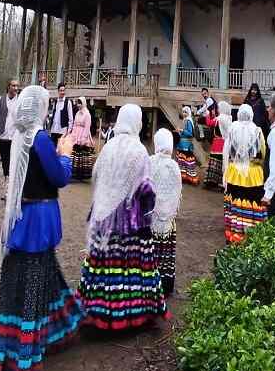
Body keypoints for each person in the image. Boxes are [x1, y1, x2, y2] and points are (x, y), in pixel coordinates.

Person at [0, 86, 83, 371]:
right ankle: (25, 360)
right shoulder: (39, 137)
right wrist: (65, 155)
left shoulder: (18, 137)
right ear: (39, 108)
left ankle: (51, 330)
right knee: (34, 286)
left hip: (22, 218)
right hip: (39, 220)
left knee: (22, 281)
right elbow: (60, 177)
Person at [80, 104, 167, 330]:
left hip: (105, 216)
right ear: (136, 122)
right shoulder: (138, 151)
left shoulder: (108, 147)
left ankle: (99, 310)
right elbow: (146, 189)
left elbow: (96, 175)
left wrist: (106, 198)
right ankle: (129, 313)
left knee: (104, 263)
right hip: (130, 220)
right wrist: (148, 212)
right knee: (130, 265)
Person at [222, 104, 268, 243]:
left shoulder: (232, 129)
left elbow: (227, 151)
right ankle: (251, 234)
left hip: (235, 172)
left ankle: (234, 234)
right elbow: (263, 153)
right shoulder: (257, 131)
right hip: (253, 174)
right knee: (251, 202)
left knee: (235, 203)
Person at [150, 128, 182, 297]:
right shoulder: (174, 166)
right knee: (165, 251)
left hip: (151, 218)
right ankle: (165, 283)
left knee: (151, 251)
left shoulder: (150, 162)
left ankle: (149, 284)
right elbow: (176, 194)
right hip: (168, 220)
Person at [203, 101, 232, 190]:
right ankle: (221, 182)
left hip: (217, 144)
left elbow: (209, 123)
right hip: (225, 144)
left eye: (219, 108)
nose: (218, 110)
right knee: (222, 163)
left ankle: (212, 182)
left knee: (215, 163)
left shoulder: (219, 119)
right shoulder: (228, 118)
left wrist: (207, 114)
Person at [70, 96, 95, 180]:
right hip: (76, 135)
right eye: (78, 103)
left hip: (83, 135)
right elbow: (74, 124)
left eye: (80, 103)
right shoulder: (77, 113)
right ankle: (75, 173)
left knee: (83, 156)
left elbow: (87, 128)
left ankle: (83, 174)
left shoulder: (87, 114)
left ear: (83, 103)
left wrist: (83, 139)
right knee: (75, 155)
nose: (78, 105)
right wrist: (73, 135)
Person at [176, 106, 200, 185]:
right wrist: (179, 131)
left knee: (188, 162)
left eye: (185, 112)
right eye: (183, 112)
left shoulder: (189, 121)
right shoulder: (184, 120)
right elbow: (183, 134)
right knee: (182, 162)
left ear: (188, 113)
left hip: (186, 145)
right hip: (182, 144)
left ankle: (191, 178)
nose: (184, 113)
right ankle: (184, 177)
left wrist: (182, 130)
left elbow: (190, 134)